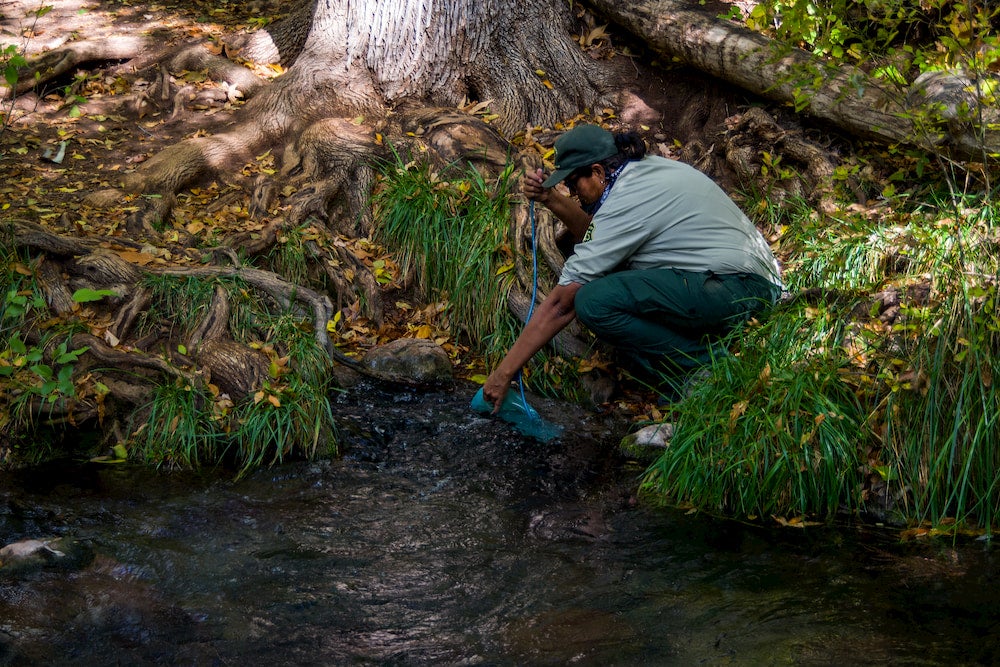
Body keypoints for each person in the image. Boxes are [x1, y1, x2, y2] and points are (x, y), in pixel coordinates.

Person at [482, 124, 782, 411]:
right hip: (747, 285)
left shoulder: (628, 199)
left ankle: (704, 367)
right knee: (609, 284)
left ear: (598, 171)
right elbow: (599, 235)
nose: (574, 194)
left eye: (574, 183)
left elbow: (562, 304)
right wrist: (550, 199)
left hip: (736, 290)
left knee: (592, 301)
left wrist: (503, 373)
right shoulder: (646, 172)